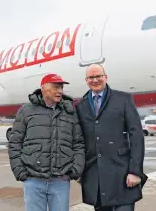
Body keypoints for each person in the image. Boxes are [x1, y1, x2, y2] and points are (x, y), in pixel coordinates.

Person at [8, 73, 85, 211]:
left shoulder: (70, 113)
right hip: (33, 181)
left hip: (61, 182)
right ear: (43, 88)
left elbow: (78, 144)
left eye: (61, 87)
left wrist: (75, 170)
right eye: (55, 87)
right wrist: (20, 171)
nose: (60, 91)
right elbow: (15, 143)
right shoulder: (26, 110)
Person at [75, 64, 146, 211]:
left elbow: (136, 136)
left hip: (122, 173)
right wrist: (80, 172)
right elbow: (79, 141)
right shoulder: (80, 106)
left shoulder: (123, 99)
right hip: (96, 175)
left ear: (105, 77)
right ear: (86, 80)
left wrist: (135, 171)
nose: (95, 80)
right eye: (91, 77)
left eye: (98, 76)